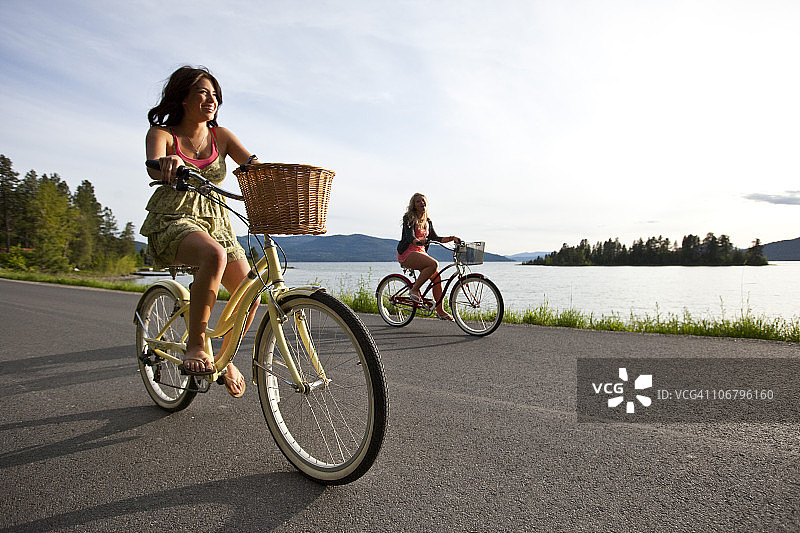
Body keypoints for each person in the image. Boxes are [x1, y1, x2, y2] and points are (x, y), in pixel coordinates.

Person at [140, 66, 258, 397]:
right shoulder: (162, 134)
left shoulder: (222, 136)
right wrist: (168, 164)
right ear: (182, 97)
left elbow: (253, 166)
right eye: (203, 92)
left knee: (250, 293)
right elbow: (153, 162)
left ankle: (224, 357)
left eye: (215, 94)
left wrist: (279, 177)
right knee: (213, 254)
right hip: (174, 217)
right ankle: (195, 346)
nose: (211, 99)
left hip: (217, 222)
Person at [396, 193, 461, 320]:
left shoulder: (428, 221)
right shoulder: (409, 218)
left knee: (437, 278)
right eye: (418, 201)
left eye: (423, 200)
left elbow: (435, 238)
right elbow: (409, 237)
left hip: (420, 252)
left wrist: (452, 238)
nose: (422, 203)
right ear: (413, 205)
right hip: (407, 252)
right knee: (433, 264)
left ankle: (440, 311)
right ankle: (414, 290)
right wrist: (418, 242)